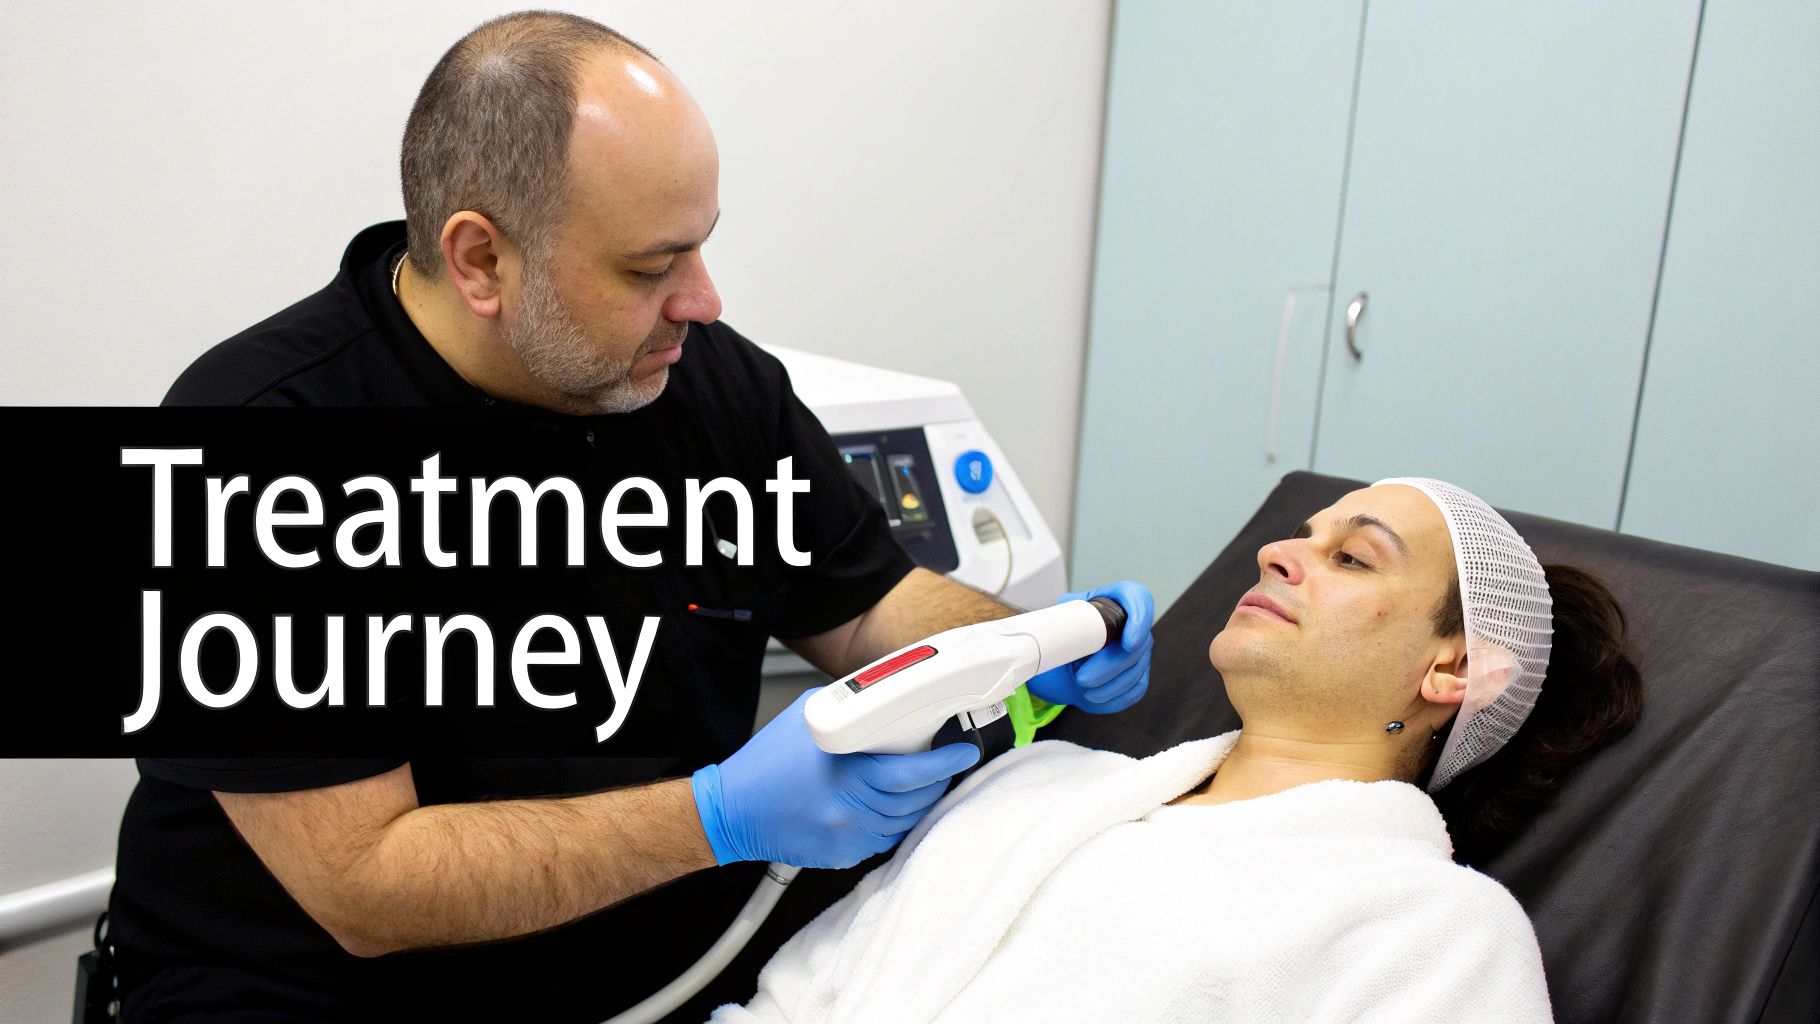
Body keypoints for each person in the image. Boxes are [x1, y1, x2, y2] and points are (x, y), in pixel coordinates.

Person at [108, 12, 1155, 1022]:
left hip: (672, 958)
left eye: (698, 248)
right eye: (650, 268)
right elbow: (366, 888)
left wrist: (1019, 647)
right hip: (328, 993)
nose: (701, 298)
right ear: (481, 261)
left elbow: (873, 601)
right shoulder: (255, 443)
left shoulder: (708, 385)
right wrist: (717, 815)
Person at [713, 478, 1643, 1023]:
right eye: (1303, 535)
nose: (1282, 551)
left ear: (1457, 670)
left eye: (1352, 558)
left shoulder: (1435, 929)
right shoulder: (1037, 785)